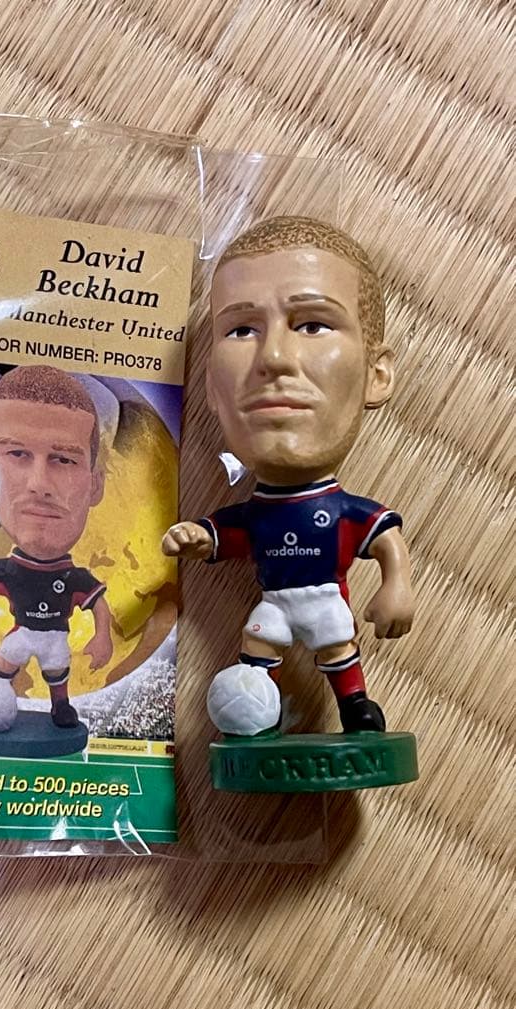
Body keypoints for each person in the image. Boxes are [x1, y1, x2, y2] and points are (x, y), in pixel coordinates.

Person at [162, 217, 414, 735]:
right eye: (241, 330)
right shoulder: (257, 513)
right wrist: (199, 538)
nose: (274, 357)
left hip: (324, 597)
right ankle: (254, 715)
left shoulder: (342, 509)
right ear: (210, 386)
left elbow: (384, 538)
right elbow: (232, 532)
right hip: (273, 602)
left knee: (337, 647)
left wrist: (397, 586)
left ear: (377, 373)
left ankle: (356, 708)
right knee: (258, 649)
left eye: (313, 325)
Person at [0, 364, 113, 731]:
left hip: (56, 638)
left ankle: (60, 707)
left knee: (56, 670)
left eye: (64, 459)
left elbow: (97, 603)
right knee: (7, 660)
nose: (39, 483)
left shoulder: (75, 576)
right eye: (16, 454)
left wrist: (102, 637)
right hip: (22, 633)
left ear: (95, 484)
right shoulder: (9, 565)